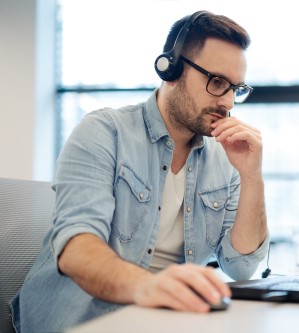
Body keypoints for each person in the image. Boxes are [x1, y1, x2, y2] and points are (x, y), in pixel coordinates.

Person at [11, 10, 269, 332]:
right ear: (170, 69)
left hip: (164, 322)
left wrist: (251, 176)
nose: (227, 101)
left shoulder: (224, 160)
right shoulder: (104, 132)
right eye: (217, 82)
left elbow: (242, 267)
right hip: (79, 321)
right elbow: (77, 249)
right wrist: (147, 287)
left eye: (236, 88)